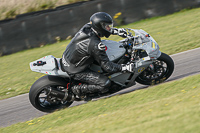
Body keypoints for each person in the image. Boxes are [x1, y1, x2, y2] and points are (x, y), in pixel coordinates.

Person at [61, 12, 134, 98]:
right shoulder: (95, 44)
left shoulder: (88, 27)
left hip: (69, 58)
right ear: (100, 27)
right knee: (105, 83)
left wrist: (116, 31)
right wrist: (124, 68)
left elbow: (102, 30)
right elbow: (108, 67)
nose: (109, 28)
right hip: (76, 70)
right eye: (107, 26)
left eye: (109, 26)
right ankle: (78, 89)